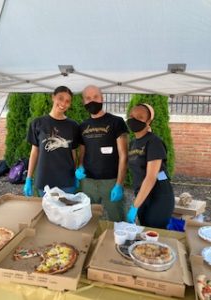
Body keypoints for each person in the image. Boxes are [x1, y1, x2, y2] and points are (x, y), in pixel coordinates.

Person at [75, 85, 128, 222]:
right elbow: (82, 150)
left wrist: (119, 184)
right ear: (83, 102)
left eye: (95, 97)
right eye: (88, 98)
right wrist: (80, 167)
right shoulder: (82, 126)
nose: (92, 101)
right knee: (88, 219)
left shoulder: (116, 122)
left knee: (117, 221)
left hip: (110, 182)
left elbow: (124, 155)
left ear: (102, 98)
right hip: (88, 182)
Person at [23, 86, 80, 197]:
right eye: (60, 98)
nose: (63, 103)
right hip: (44, 180)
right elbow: (34, 152)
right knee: (47, 213)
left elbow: (73, 153)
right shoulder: (37, 123)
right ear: (53, 97)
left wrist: (75, 173)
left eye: (68, 101)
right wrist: (29, 178)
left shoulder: (73, 126)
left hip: (67, 180)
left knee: (66, 212)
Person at [126, 103, 175, 229]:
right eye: (132, 115)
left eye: (140, 117)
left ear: (149, 121)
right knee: (144, 230)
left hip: (158, 196)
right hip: (142, 195)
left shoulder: (154, 142)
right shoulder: (133, 143)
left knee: (154, 234)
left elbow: (151, 177)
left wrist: (134, 206)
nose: (134, 119)